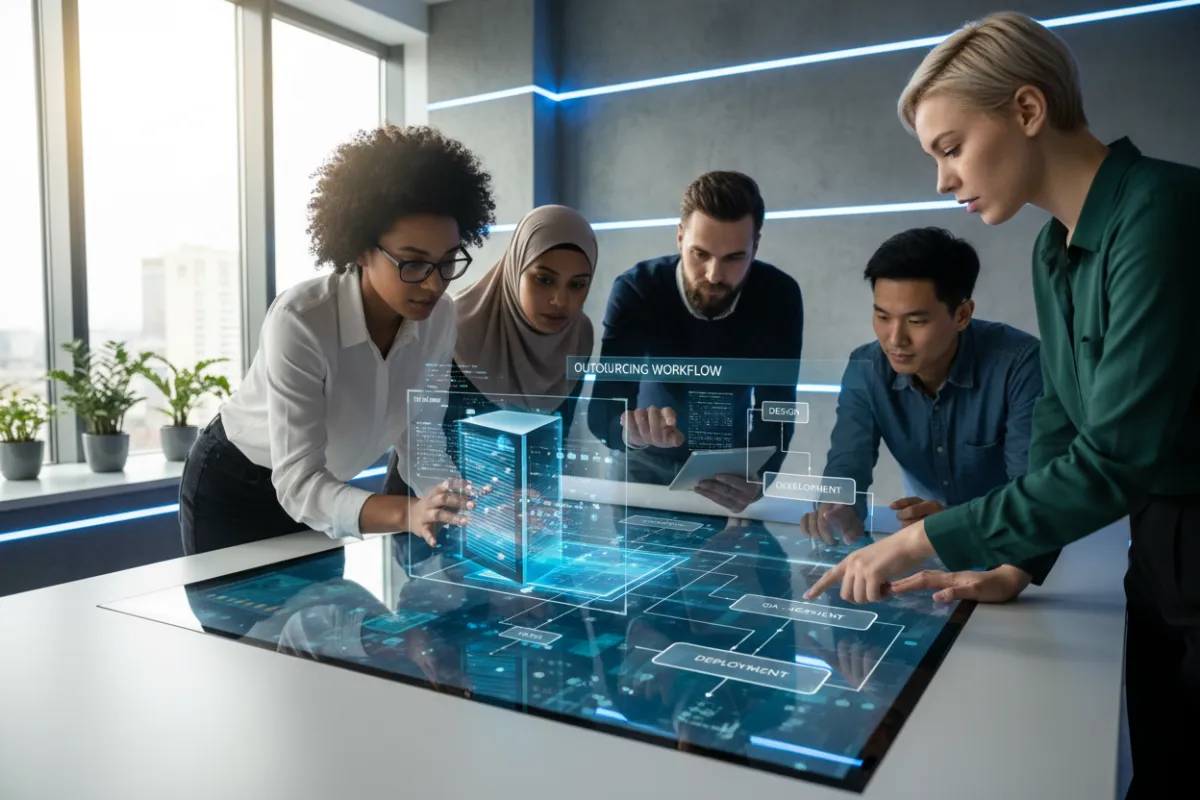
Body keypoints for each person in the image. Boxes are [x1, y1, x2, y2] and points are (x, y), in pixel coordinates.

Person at [802, 12, 1200, 793]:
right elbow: (1062, 423)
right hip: (1155, 549)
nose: (943, 180)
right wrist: (1017, 563)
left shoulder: (1164, 212)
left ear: (1026, 111)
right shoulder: (1057, 245)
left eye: (950, 149)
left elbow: (1115, 454)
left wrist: (923, 542)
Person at [178, 125, 497, 556]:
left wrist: (466, 504)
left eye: (447, 263)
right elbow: (298, 482)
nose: (433, 284)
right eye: (413, 264)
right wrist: (409, 512)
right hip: (238, 488)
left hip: (327, 489)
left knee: (325, 618)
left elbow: (422, 442)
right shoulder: (302, 320)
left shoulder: (440, 319)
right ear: (362, 249)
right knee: (237, 624)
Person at [801, 226, 1056, 602]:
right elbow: (846, 466)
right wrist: (835, 512)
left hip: (1024, 555)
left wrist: (963, 532)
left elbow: (1033, 493)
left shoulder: (1020, 365)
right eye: (882, 316)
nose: (894, 339)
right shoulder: (865, 367)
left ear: (963, 314)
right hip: (925, 552)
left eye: (916, 321)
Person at [586, 171, 804, 513]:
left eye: (734, 257)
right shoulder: (637, 289)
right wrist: (633, 433)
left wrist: (760, 479)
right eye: (699, 253)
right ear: (679, 238)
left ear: (755, 247)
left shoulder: (779, 296)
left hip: (726, 470)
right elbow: (603, 410)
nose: (715, 275)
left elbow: (777, 408)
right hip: (642, 464)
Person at [383, 204, 598, 495]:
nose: (560, 300)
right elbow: (420, 442)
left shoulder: (579, 336)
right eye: (544, 280)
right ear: (515, 267)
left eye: (577, 285)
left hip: (516, 515)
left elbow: (553, 443)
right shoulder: (450, 324)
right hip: (427, 505)